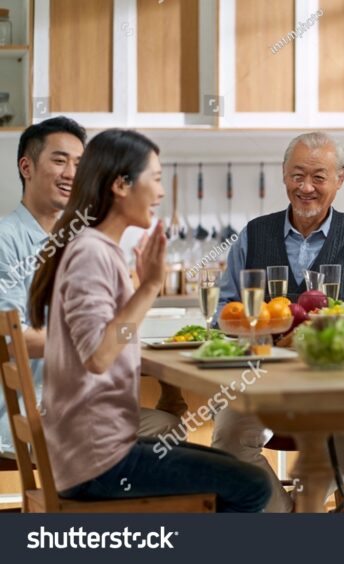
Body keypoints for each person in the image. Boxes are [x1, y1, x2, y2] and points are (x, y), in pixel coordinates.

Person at [27, 129, 271, 511]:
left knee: (234, 468)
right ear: (122, 185)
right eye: (155, 179)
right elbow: (99, 355)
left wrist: (142, 285)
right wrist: (150, 286)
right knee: (253, 485)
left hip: (89, 452)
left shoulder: (93, 247)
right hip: (97, 463)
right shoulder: (92, 253)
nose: (160, 193)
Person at [212, 131, 344, 511]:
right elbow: (224, 310)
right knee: (228, 441)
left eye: (319, 177)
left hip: (335, 385)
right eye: (297, 175)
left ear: (340, 179)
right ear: (284, 175)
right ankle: (284, 515)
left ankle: (303, 511)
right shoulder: (253, 234)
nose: (306, 187)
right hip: (256, 378)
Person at [0, 118, 180, 460]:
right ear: (27, 166)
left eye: (80, 164)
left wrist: (137, 290)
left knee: (170, 421)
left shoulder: (82, 240)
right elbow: (12, 339)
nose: (71, 173)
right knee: (167, 430)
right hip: (33, 414)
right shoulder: (6, 240)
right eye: (59, 160)